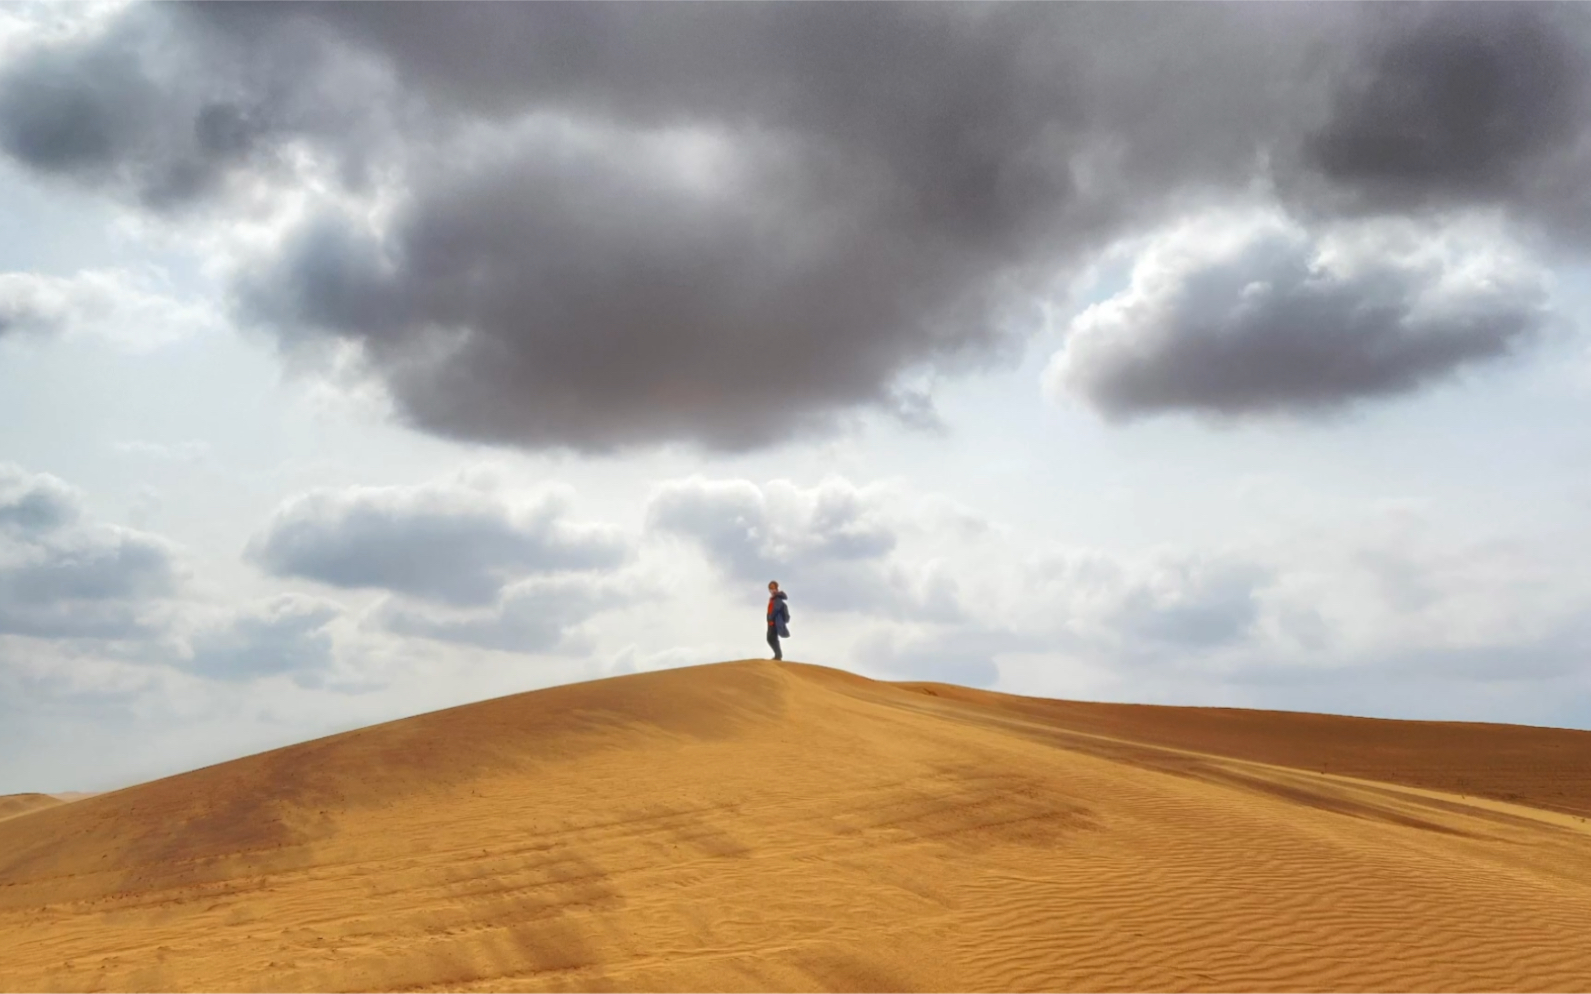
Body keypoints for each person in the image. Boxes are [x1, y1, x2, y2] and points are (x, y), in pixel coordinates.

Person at [765, 580, 790, 660]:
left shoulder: (777, 598)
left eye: (773, 588)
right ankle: (778, 655)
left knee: (771, 638)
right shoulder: (773, 598)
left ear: (776, 588)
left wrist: (771, 618)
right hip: (771, 621)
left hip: (775, 622)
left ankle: (778, 655)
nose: (771, 590)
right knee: (771, 638)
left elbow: (776, 609)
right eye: (770, 588)